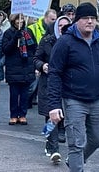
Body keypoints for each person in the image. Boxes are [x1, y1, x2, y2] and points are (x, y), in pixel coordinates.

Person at [48, 2, 99, 171]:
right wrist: (54, 105)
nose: (90, 22)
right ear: (77, 20)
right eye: (85, 18)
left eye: (93, 18)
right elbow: (55, 73)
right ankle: (77, 166)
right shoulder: (65, 42)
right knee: (76, 143)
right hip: (74, 100)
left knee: (97, 139)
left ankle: (75, 161)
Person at [34, 15, 71, 163]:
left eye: (65, 26)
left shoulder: (74, 42)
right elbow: (36, 58)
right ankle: (54, 148)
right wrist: (42, 66)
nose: (62, 28)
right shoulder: (47, 40)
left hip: (68, 85)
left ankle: (52, 143)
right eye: (60, 25)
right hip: (48, 83)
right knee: (51, 116)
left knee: (65, 116)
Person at [3, 13, 37, 125]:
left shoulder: (28, 32)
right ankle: (13, 115)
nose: (20, 21)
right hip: (13, 68)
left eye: (22, 19)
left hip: (26, 67)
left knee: (24, 94)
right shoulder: (8, 33)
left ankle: (22, 114)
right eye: (18, 19)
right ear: (13, 21)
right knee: (14, 94)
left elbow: (34, 48)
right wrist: (15, 39)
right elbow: (6, 50)